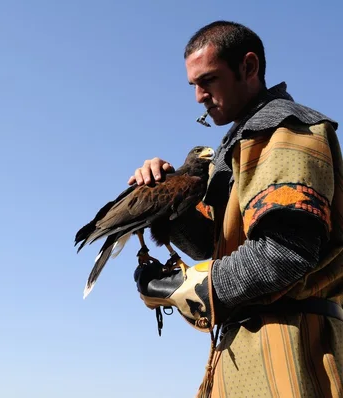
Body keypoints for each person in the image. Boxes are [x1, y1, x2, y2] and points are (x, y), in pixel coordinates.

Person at [130, 21, 343, 397]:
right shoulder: (241, 146)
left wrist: (189, 286)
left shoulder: (287, 131)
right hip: (243, 352)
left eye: (208, 80)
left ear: (248, 67)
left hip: (293, 357)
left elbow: (285, 252)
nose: (198, 96)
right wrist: (166, 199)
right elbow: (215, 246)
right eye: (193, 85)